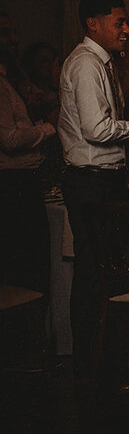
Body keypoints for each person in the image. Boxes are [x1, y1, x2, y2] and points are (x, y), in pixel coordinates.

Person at [59, 0, 129, 367]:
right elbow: (96, 128)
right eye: (119, 22)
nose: (126, 30)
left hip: (103, 179)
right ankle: (92, 361)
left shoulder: (103, 63)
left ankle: (110, 354)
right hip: (91, 182)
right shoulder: (87, 64)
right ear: (93, 23)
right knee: (95, 272)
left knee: (106, 270)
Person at [1, 34, 56, 293]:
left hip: (27, 177)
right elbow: (9, 140)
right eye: (4, 34)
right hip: (14, 181)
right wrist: (49, 127)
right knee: (24, 270)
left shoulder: (14, 79)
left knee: (36, 265)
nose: (14, 39)